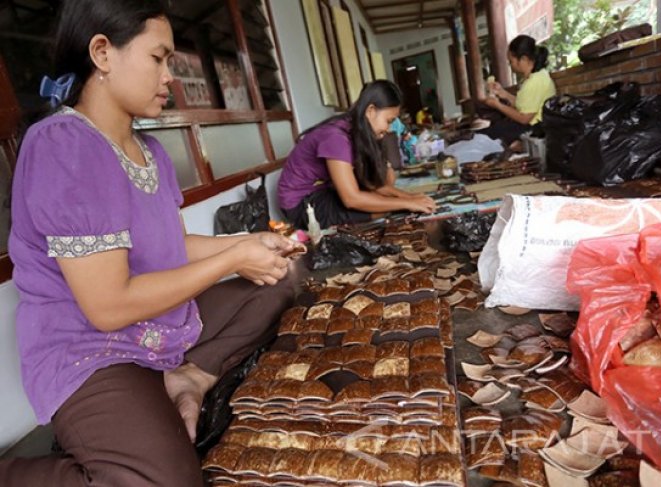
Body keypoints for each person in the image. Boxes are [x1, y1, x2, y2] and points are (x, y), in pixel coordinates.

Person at [0, 1, 301, 485]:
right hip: (93, 350)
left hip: (159, 331)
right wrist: (233, 256)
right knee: (168, 480)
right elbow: (108, 307)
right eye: (158, 58)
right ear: (103, 53)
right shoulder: (63, 146)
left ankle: (191, 378)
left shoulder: (151, 151)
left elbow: (171, 245)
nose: (170, 77)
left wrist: (249, 243)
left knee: (282, 275)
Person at [278, 80, 436, 229]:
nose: (389, 129)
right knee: (379, 209)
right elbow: (351, 199)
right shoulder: (336, 137)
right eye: (389, 121)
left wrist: (409, 197)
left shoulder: (356, 130)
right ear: (371, 111)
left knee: (381, 200)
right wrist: (407, 203)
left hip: (322, 192)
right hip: (300, 204)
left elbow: (375, 185)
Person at [479, 34, 556, 146]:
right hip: (529, 125)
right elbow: (525, 105)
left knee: (484, 138)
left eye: (511, 62)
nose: (511, 65)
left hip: (533, 129)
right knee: (487, 133)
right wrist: (503, 93)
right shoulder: (537, 76)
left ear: (523, 59)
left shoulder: (535, 81)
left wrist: (497, 105)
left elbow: (524, 118)